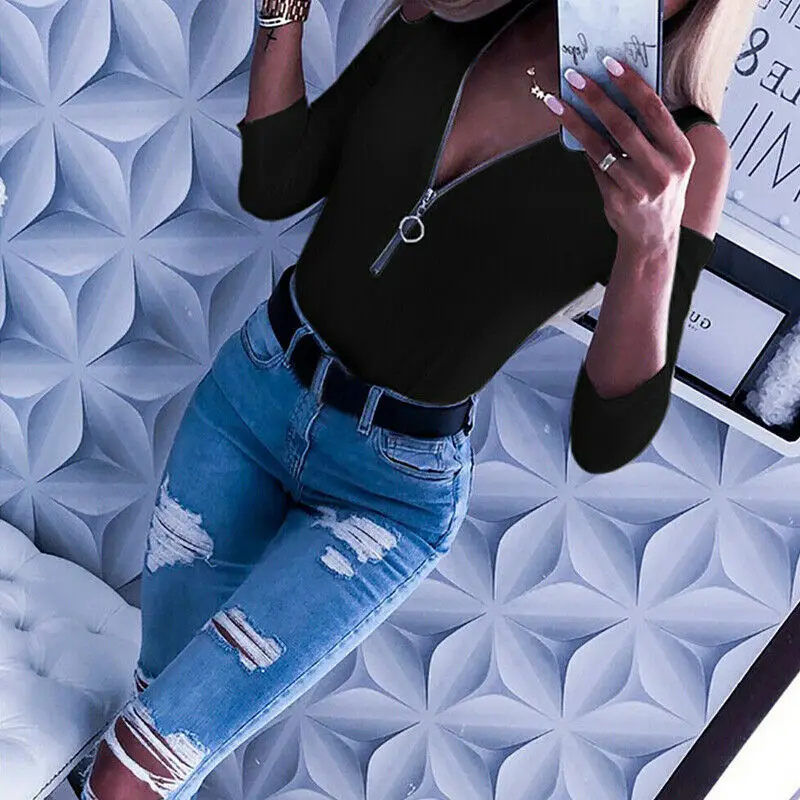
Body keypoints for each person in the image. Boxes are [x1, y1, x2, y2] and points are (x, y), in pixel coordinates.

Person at [78, 0, 756, 796]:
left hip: (385, 497)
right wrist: (282, 12)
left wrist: (651, 244)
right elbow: (275, 180)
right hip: (247, 401)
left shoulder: (683, 154)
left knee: (133, 770)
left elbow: (607, 435)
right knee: (157, 704)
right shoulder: (457, 14)